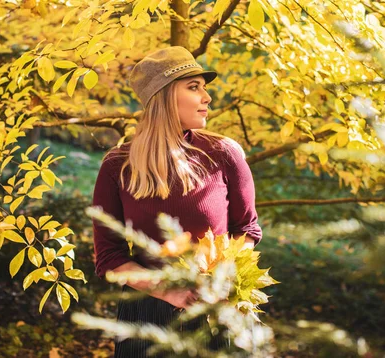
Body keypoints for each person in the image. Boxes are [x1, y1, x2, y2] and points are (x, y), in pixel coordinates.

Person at [92, 46, 262, 357]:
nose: (206, 97)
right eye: (194, 87)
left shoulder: (224, 153)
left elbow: (247, 229)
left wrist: (224, 279)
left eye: (204, 88)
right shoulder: (117, 165)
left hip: (218, 312)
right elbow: (109, 257)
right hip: (145, 318)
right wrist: (168, 291)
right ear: (165, 96)